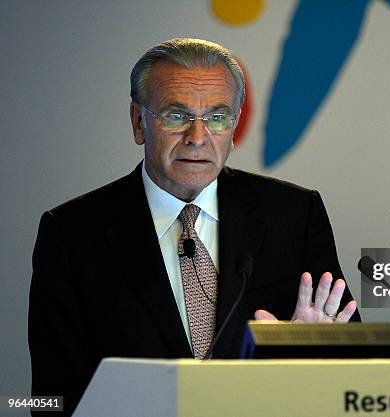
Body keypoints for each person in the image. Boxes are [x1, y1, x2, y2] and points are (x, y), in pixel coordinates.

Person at [28, 38, 360, 416]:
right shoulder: (71, 235)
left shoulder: (294, 214)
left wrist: (317, 359)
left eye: (217, 117)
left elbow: (353, 370)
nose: (198, 137)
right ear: (139, 122)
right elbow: (48, 401)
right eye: (175, 115)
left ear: (234, 127)